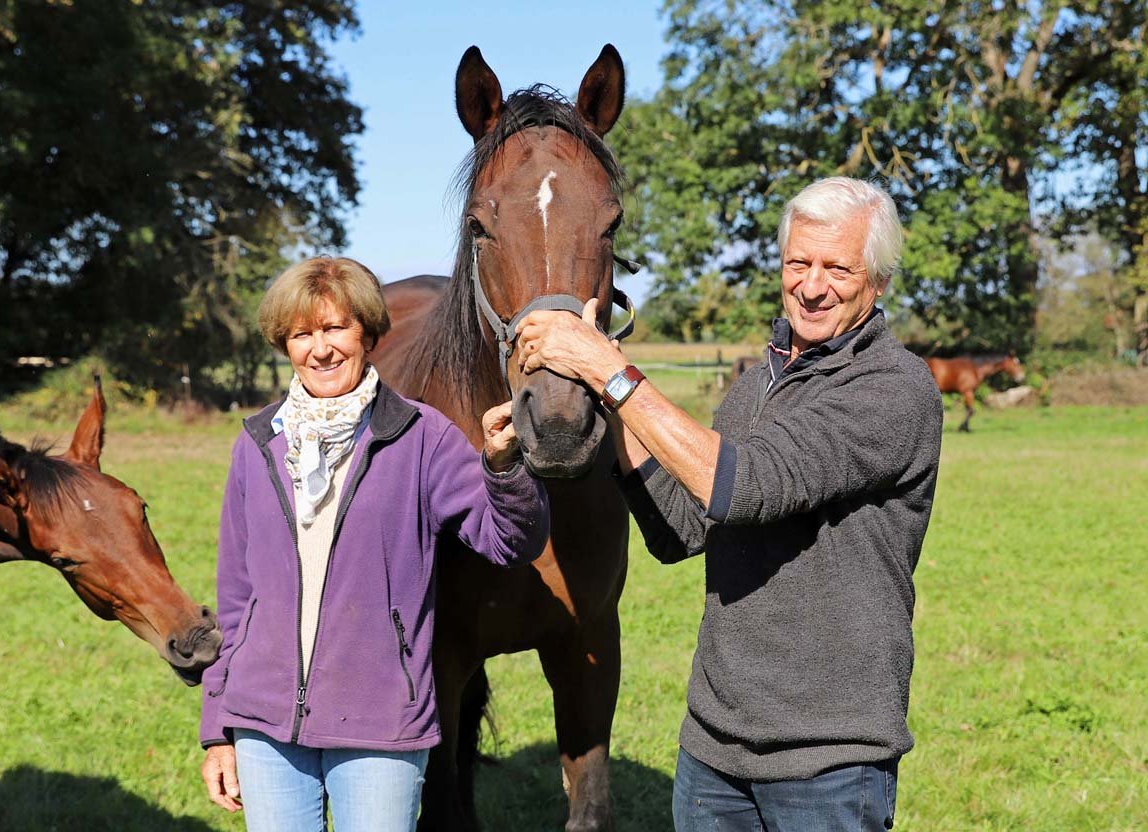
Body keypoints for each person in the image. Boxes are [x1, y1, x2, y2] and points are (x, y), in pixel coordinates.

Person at [515, 177, 942, 831]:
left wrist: (611, 372)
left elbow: (744, 487)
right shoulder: (753, 388)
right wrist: (610, 405)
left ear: (878, 282)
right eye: (798, 263)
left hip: (829, 761)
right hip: (712, 752)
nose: (812, 286)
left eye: (838, 269)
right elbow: (680, 530)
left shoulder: (892, 389)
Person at [199, 256, 550, 831]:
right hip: (264, 724)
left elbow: (510, 543)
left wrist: (504, 467)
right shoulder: (258, 443)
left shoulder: (421, 435)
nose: (320, 349)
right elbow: (236, 600)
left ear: (366, 333)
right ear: (284, 344)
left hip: (380, 724)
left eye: (335, 328)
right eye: (301, 334)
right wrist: (218, 727)